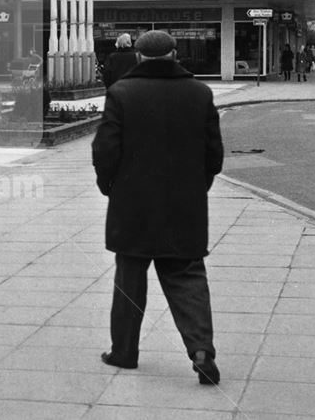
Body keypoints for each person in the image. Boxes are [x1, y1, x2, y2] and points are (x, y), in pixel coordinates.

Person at [92, 30, 223, 386]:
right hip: (185, 204)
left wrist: (110, 187)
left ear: (138, 57)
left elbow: (105, 149)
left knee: (130, 276)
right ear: (174, 54)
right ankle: (201, 351)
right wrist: (199, 186)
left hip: (133, 205)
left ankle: (124, 351)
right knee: (187, 276)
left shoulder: (121, 93)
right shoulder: (200, 93)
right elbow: (214, 154)